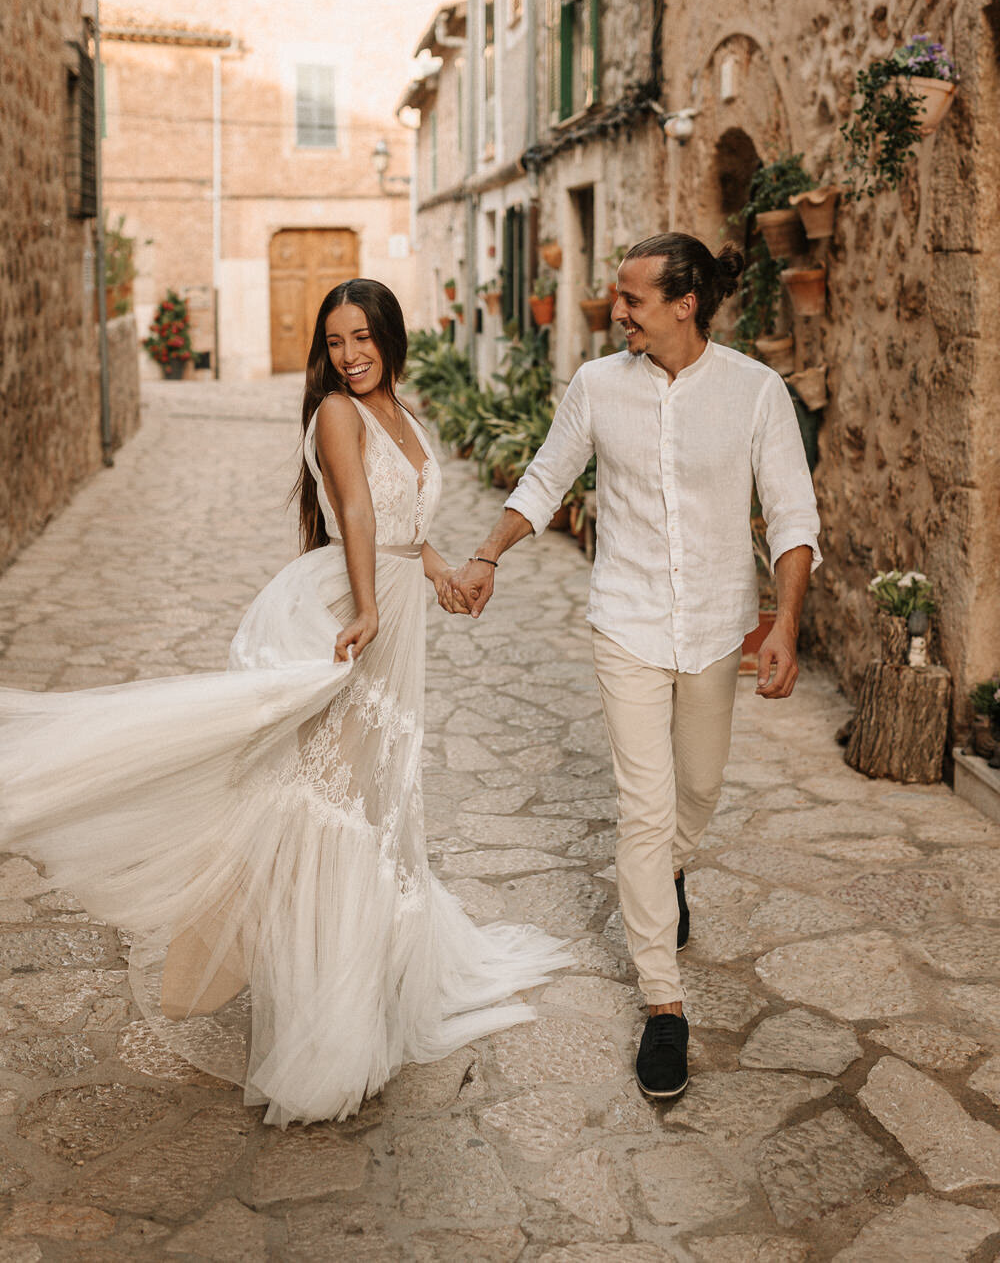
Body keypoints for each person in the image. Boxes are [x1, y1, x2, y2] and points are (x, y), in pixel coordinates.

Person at [0, 279, 570, 1127]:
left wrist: (442, 569)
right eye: (335, 342)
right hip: (348, 613)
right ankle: (324, 1025)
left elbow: (403, 518)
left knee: (371, 804)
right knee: (328, 808)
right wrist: (373, 607)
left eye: (363, 337)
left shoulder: (401, 412)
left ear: (390, 337)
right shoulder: (339, 414)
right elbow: (355, 513)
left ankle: (358, 988)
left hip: (395, 606)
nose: (349, 355)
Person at [448, 233, 821, 1101]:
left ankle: (667, 874)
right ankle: (664, 1005)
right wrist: (487, 554)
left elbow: (793, 515)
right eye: (618, 297)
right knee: (644, 806)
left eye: (633, 299)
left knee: (696, 788)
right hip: (626, 619)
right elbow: (544, 479)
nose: (617, 312)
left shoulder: (755, 392)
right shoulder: (596, 386)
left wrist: (787, 626)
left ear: (685, 304)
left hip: (718, 625)